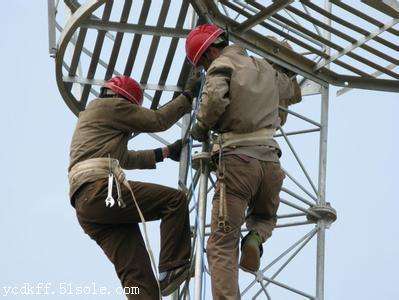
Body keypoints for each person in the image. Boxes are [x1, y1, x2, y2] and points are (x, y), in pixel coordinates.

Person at [185, 24, 301, 299]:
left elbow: (214, 101)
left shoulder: (221, 65)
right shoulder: (263, 67)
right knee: (264, 217)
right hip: (271, 164)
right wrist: (286, 63)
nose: (203, 68)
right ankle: (255, 239)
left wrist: (200, 127)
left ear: (211, 50)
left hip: (239, 162)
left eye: (202, 62)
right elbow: (293, 93)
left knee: (222, 244)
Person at [68, 74, 198, 299]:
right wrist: (187, 97)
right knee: (174, 201)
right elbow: (159, 121)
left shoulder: (94, 117)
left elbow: (125, 158)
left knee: (137, 275)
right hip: (99, 190)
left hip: (87, 206)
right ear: (125, 100)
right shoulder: (113, 106)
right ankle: (173, 266)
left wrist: (164, 153)